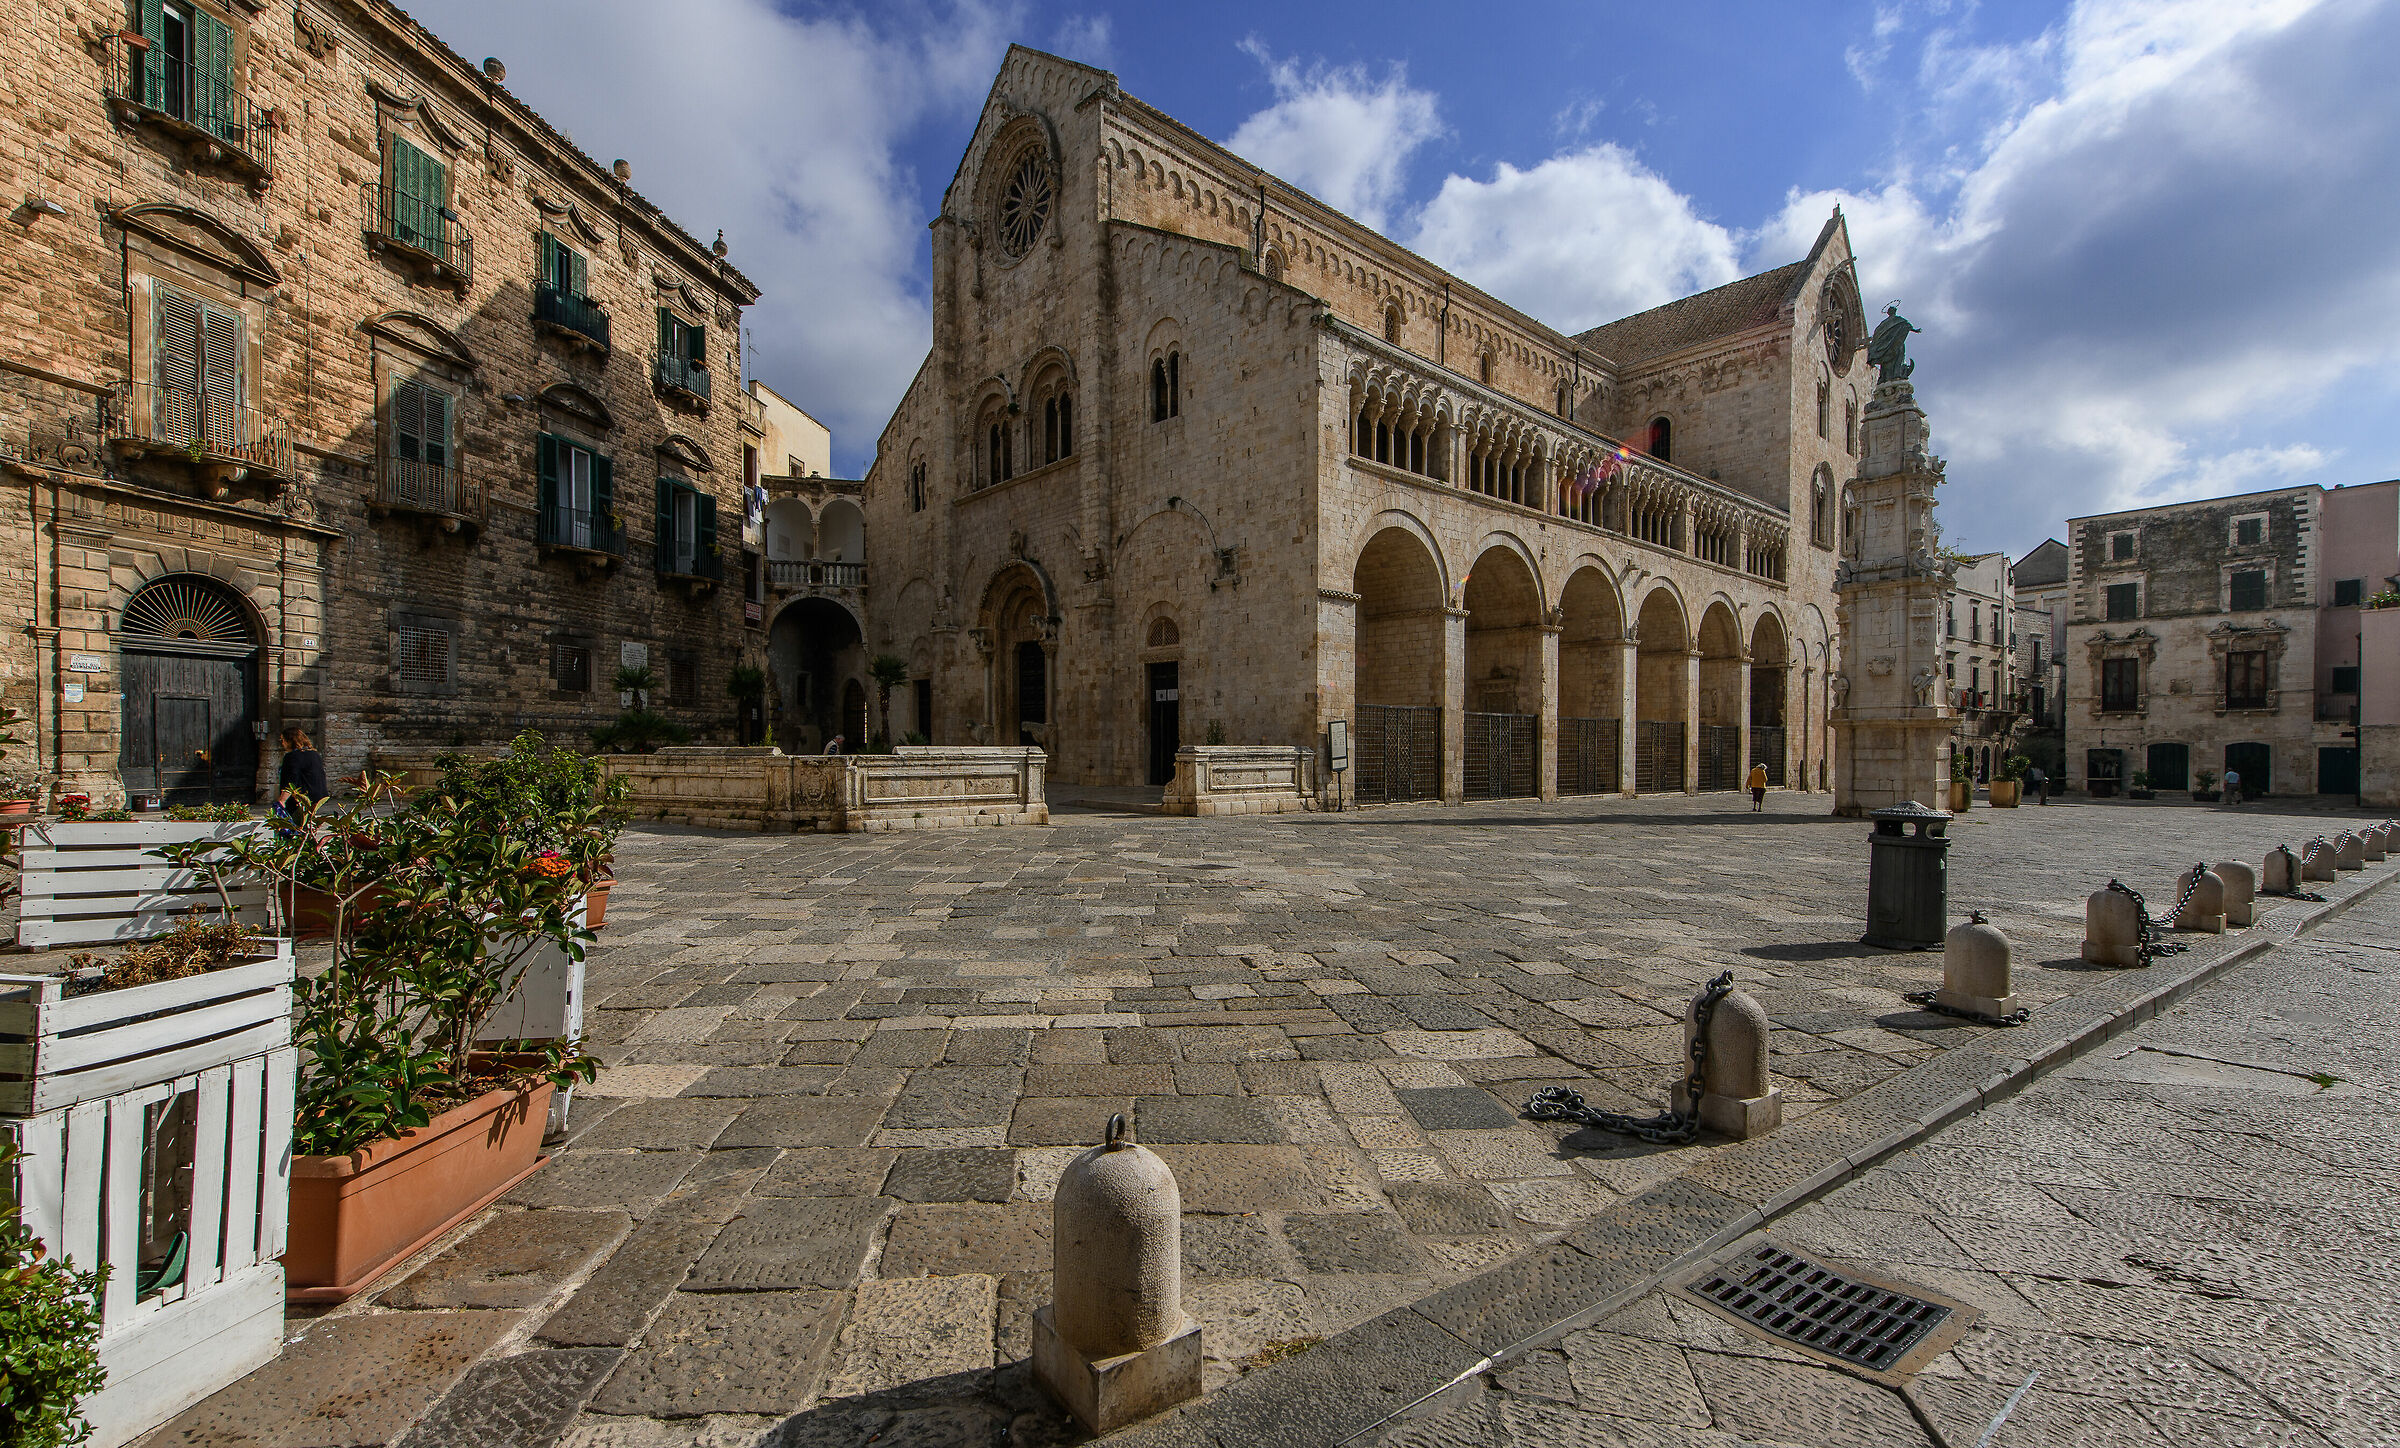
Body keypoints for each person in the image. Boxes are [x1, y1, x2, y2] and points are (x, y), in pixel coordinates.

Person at [275, 726, 328, 819]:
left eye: (283, 740)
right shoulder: (314, 754)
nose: (282, 743)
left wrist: (282, 800)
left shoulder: (292, 757)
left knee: (295, 826)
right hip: (317, 797)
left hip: (300, 798)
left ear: (290, 741)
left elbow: (291, 778)